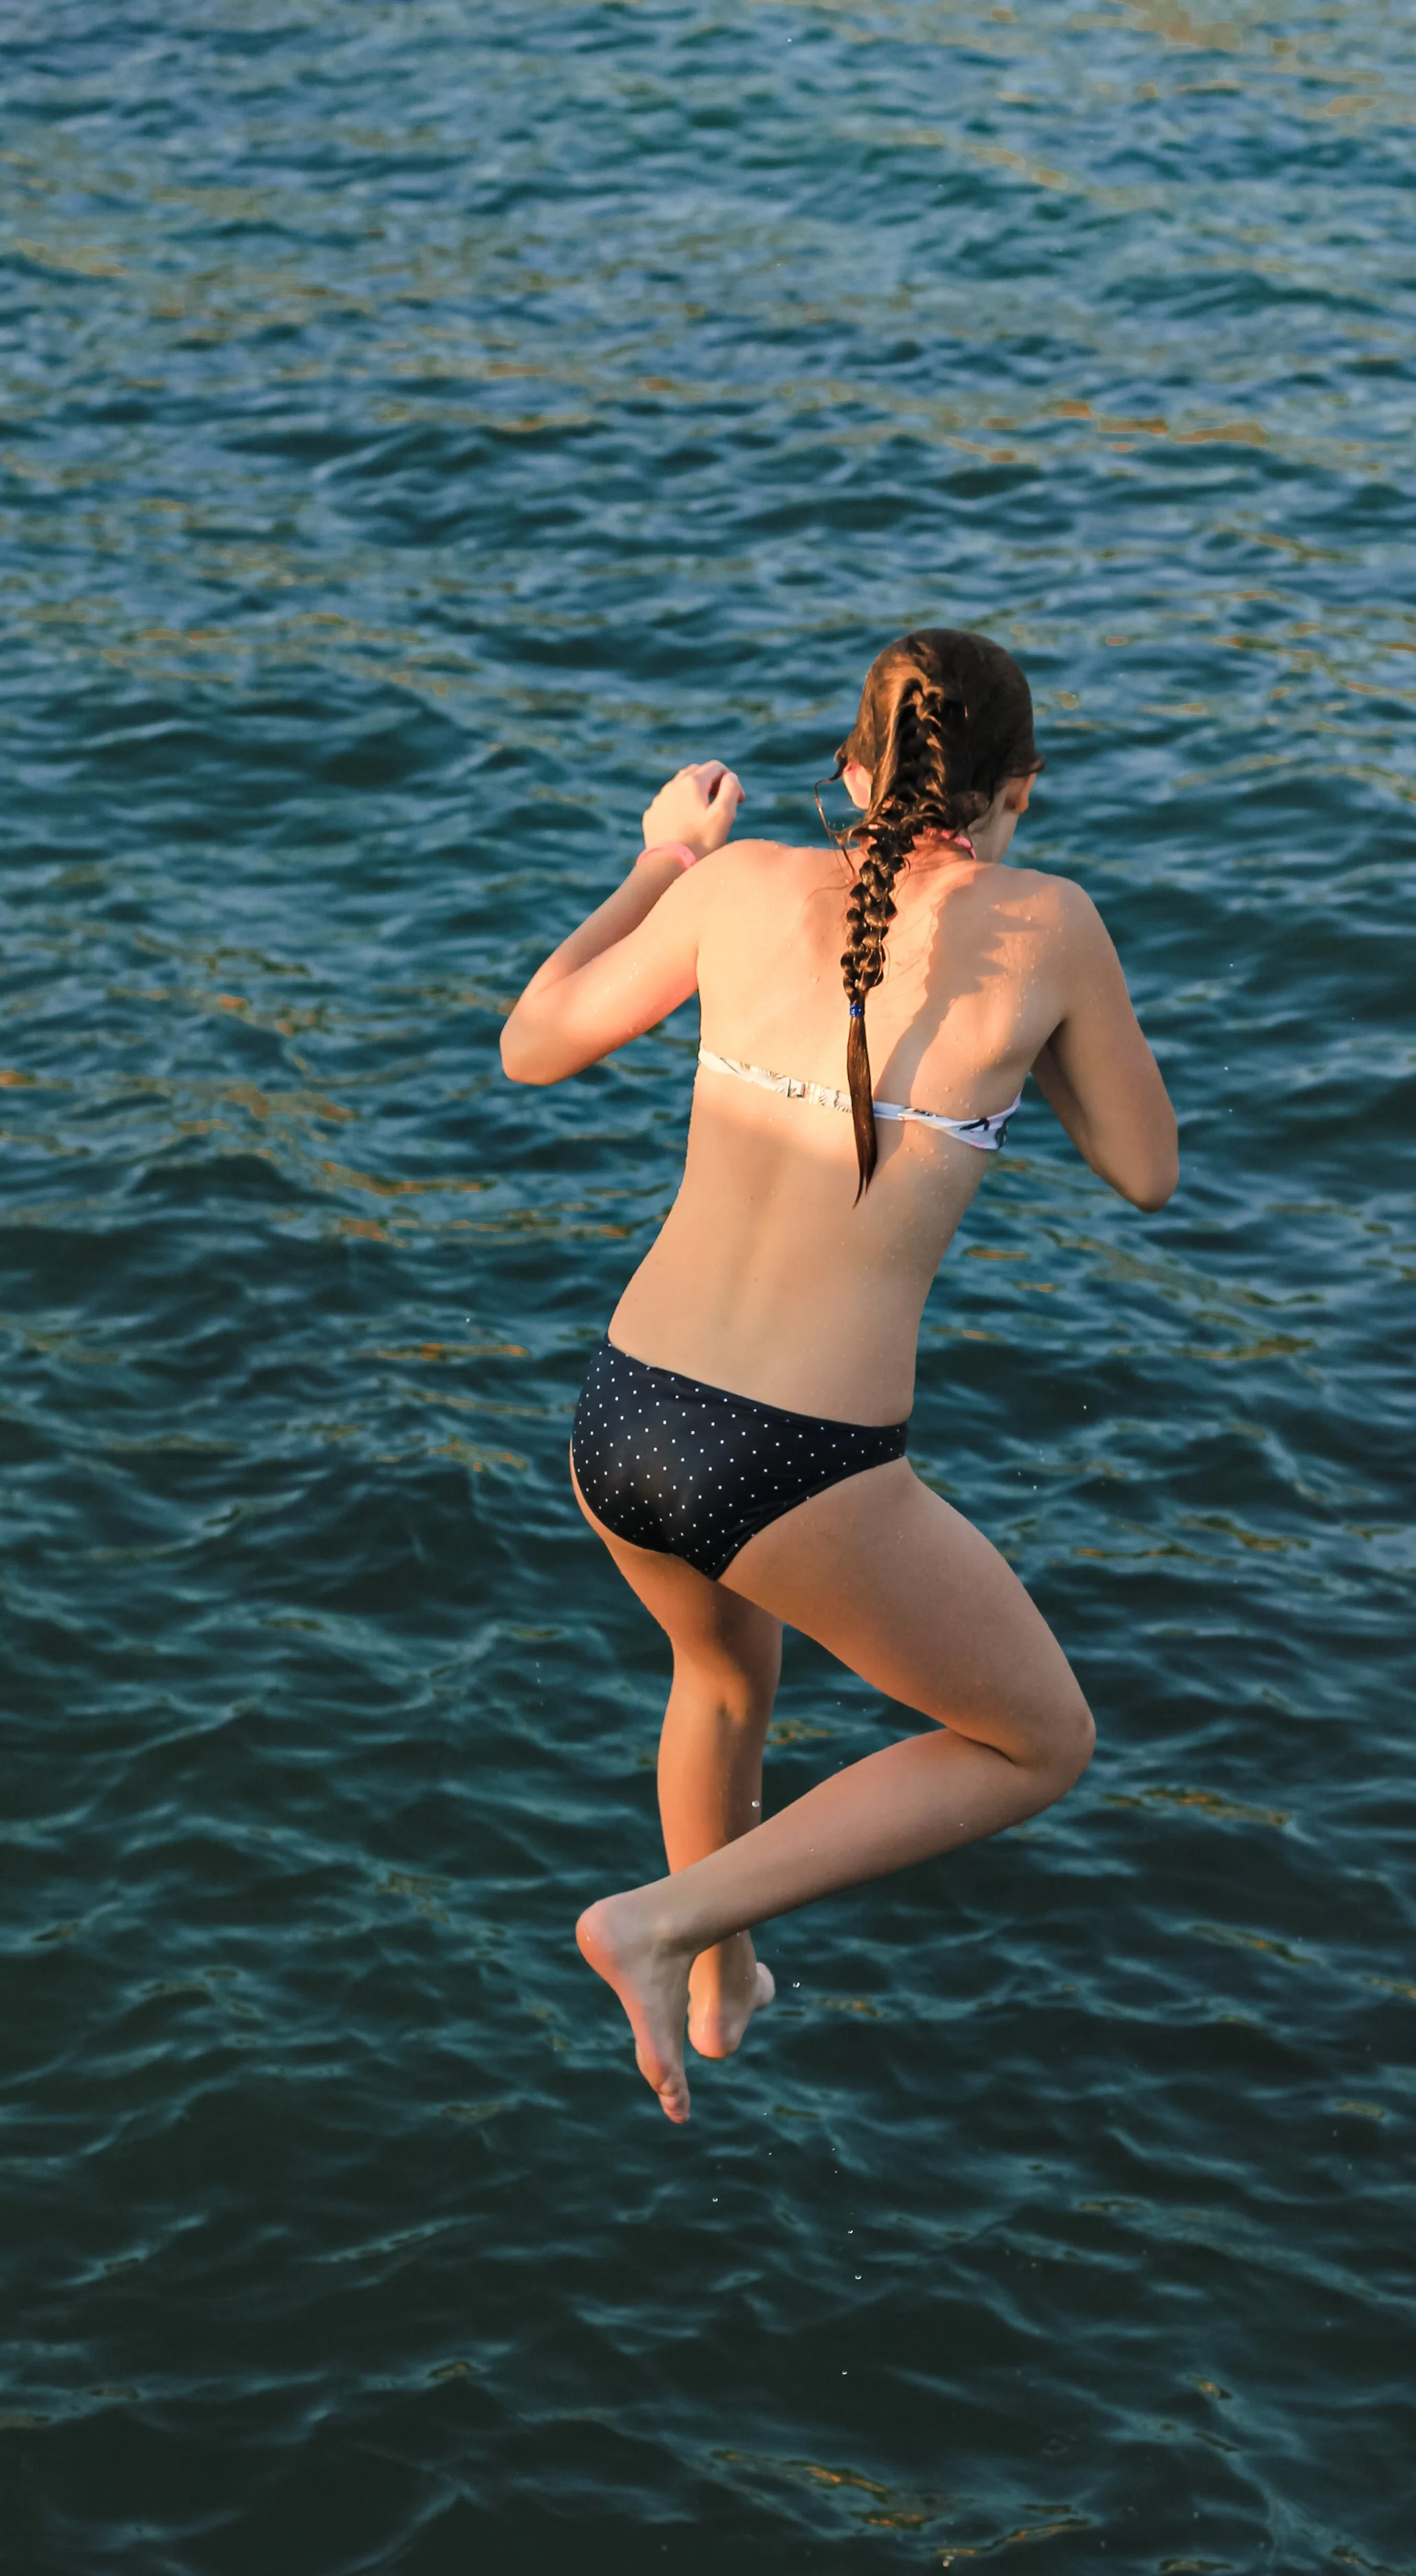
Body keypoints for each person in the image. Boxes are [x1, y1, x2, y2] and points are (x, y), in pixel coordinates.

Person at [501, 629, 1178, 2122]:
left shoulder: (731, 888)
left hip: (620, 1413)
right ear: (1018, 791)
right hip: (791, 1457)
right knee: (1034, 1740)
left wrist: (661, 862)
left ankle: (716, 1976)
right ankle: (659, 1921)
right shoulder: (1049, 922)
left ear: (851, 774)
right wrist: (1029, 1046)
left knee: (720, 1672)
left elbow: (531, 1044)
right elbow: (1144, 1172)